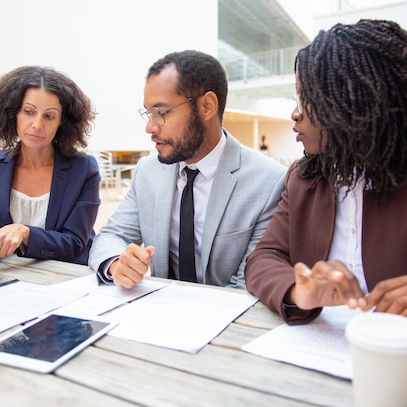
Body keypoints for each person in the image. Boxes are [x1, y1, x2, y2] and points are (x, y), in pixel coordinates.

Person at [244, 20, 407, 355]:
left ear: (359, 100)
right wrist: (299, 292)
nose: (295, 114)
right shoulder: (303, 177)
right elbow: (264, 257)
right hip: (314, 353)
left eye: (307, 97)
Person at [89, 50, 286, 289]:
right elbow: (109, 236)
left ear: (207, 106)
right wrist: (117, 263)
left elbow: (250, 283)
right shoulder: (148, 171)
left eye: (161, 113)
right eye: (148, 114)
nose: (150, 127)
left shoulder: (268, 181)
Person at [0, 66, 100, 265]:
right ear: (13, 114)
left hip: (68, 276)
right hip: (11, 277)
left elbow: (74, 243)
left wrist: (25, 232)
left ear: (62, 122)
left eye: (49, 116)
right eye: (29, 112)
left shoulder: (83, 169)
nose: (37, 124)